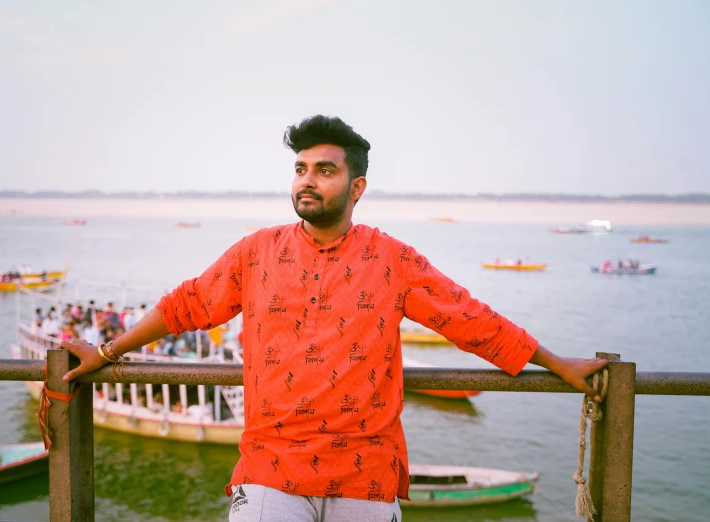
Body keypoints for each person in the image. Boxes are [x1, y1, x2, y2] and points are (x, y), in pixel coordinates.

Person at [59, 115, 607, 522]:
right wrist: (107, 352)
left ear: (356, 186)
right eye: (300, 169)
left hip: (365, 477)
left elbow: (469, 319)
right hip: (271, 471)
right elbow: (186, 304)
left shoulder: (392, 259)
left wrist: (558, 365)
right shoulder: (256, 252)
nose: (307, 180)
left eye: (324, 170)